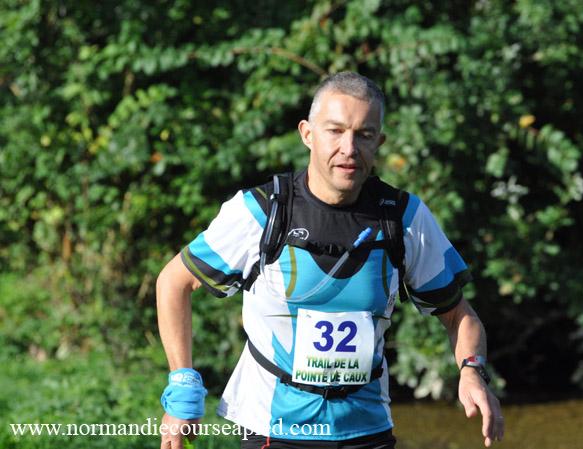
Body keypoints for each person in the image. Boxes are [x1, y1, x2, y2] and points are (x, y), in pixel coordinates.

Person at [156, 71, 505, 449]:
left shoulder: (403, 218)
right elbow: (174, 282)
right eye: (335, 131)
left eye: (364, 134)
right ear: (307, 134)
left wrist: (472, 371)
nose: (349, 148)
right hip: (272, 429)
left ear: (379, 142)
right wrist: (183, 387)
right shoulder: (263, 212)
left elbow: (458, 315)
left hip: (367, 429)